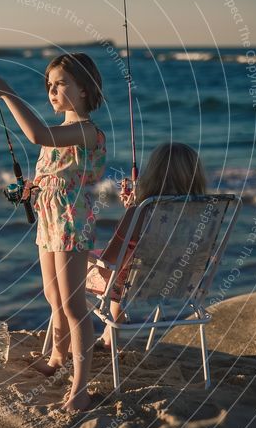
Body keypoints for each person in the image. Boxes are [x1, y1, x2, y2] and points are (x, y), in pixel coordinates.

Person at [0, 53, 106, 413]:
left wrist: (7, 94)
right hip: (50, 223)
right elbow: (59, 174)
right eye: (48, 84)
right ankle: (56, 359)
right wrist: (36, 187)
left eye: (59, 83)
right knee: (53, 299)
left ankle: (80, 389)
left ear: (84, 88)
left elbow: (38, 135)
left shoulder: (85, 130)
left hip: (71, 226)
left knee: (74, 306)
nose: (51, 90)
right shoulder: (62, 133)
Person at [88, 142, 208, 350]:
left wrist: (132, 212)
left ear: (152, 174)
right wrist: (135, 208)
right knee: (129, 267)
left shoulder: (140, 213)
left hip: (131, 285)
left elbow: (109, 260)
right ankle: (110, 336)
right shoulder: (204, 213)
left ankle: (74, 342)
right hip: (180, 282)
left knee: (72, 264)